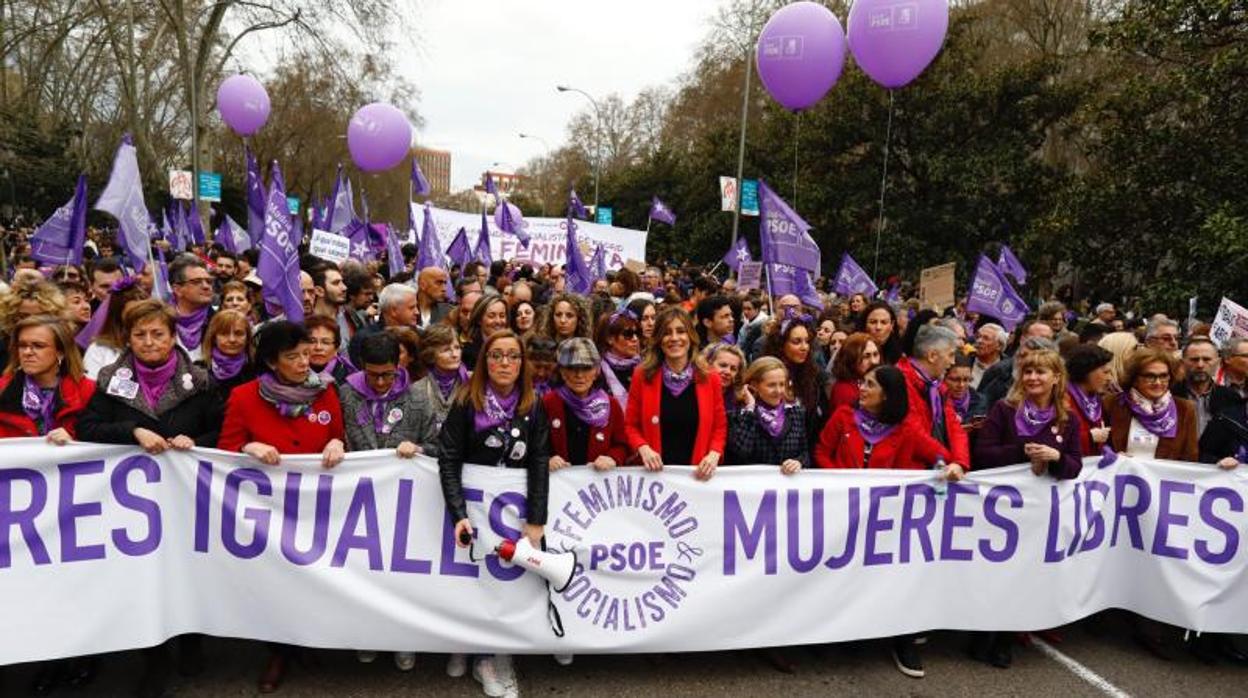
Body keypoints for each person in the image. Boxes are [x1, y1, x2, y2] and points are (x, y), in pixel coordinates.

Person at [76, 299, 222, 698]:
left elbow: (222, 434)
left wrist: (197, 442)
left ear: (174, 338)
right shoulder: (109, 381)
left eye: (158, 333)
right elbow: (86, 427)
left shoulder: (201, 382)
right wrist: (132, 431)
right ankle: (153, 658)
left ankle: (191, 640)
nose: (149, 341)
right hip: (134, 506)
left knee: (188, 572)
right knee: (142, 579)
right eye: (139, 335)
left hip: (186, 500)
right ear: (128, 339)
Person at [216, 320, 346, 692]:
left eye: (307, 353)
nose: (306, 362)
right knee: (275, 579)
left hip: (314, 504)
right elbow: (224, 450)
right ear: (272, 362)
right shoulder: (243, 396)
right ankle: (278, 650)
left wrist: (337, 444)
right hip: (266, 508)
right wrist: (247, 447)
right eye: (294, 356)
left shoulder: (325, 392)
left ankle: (304, 641)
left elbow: (337, 435)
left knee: (312, 575)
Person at [813, 364, 950, 679]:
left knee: (893, 577)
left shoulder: (906, 428)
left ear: (887, 396)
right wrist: (842, 483)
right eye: (863, 382)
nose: (861, 388)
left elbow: (939, 454)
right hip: (843, 511)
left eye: (870, 385)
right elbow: (821, 452)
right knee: (841, 573)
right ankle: (836, 632)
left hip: (888, 520)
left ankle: (902, 639)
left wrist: (949, 465)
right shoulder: (843, 418)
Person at [438, 330, 549, 697]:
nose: (505, 363)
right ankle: (468, 646)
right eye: (496, 355)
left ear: (522, 363)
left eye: (513, 356)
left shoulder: (533, 404)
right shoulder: (466, 400)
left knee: (505, 584)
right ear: (484, 361)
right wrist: (458, 514)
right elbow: (449, 458)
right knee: (470, 581)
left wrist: (536, 517)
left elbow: (538, 460)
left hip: (512, 513)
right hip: (473, 508)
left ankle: (495, 656)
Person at [969, 347, 1083, 668]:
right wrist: (1024, 450)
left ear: (1056, 378)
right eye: (1028, 371)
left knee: (1024, 576)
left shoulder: (1068, 419)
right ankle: (980, 636)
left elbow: (1075, 465)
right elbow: (984, 454)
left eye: (1041, 371)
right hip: (1001, 510)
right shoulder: (1004, 410)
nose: (1033, 377)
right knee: (993, 575)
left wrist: (1056, 458)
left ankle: (1004, 640)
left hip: (1041, 514)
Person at [624, 306, 726, 479]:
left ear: (691, 337)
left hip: (696, 476)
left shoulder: (710, 377)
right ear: (658, 339)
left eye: (681, 331)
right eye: (667, 333)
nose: (674, 338)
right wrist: (643, 448)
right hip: (654, 477)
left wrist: (714, 453)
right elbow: (630, 425)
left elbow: (719, 426)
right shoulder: (642, 375)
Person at [0, 316, 95, 441]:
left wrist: (75, 437)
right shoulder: (3, 388)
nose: (27, 352)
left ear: (60, 351)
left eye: (38, 346)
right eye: (22, 345)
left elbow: (103, 436)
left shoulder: (88, 390)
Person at [544, 337, 628, 472]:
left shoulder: (611, 405)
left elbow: (622, 445)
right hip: (558, 487)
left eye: (586, 368)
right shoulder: (548, 403)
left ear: (596, 371)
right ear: (562, 372)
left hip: (595, 486)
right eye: (572, 368)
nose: (579, 375)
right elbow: (535, 445)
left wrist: (612, 458)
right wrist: (547, 459)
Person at [897, 325, 972, 472]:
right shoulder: (900, 382)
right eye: (950, 355)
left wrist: (959, 463)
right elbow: (914, 434)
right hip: (911, 474)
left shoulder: (938, 387)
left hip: (938, 467)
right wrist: (949, 460)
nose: (952, 362)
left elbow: (954, 427)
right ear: (932, 356)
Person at [1104, 347, 1198, 461]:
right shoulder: (1111, 404)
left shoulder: (1185, 409)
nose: (1158, 383)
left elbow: (1190, 456)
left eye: (1163, 376)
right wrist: (1111, 456)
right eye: (1150, 376)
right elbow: (1098, 447)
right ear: (1134, 378)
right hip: (1119, 475)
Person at [762, 307, 829, 446]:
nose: (804, 347)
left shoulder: (815, 378)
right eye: (797, 342)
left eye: (807, 341)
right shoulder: (764, 375)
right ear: (781, 345)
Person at [727, 356, 808, 472]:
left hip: (786, 486)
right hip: (750, 486)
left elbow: (804, 452)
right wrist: (750, 408)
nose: (778, 391)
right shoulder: (739, 413)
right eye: (771, 385)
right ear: (754, 385)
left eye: (782, 384)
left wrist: (799, 462)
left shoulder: (796, 413)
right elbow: (740, 452)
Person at [409, 324, 466, 455]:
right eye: (446, 350)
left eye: (457, 347)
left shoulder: (473, 382)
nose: (455, 354)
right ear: (430, 355)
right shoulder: (417, 390)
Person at [79, 276, 147, 379]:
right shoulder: (99, 349)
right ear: (118, 315)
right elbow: (90, 387)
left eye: (143, 311)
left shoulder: (156, 344)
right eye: (131, 313)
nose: (138, 317)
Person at [1172, 337, 1239, 437]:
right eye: (1194, 360)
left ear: (1217, 363)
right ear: (1183, 363)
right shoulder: (1170, 395)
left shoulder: (1231, 398)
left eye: (1206, 359)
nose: (1200, 365)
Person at [1064, 344, 1115, 456]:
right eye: (1105, 372)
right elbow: (1055, 442)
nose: (1109, 378)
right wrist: (1089, 437)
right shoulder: (1062, 401)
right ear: (1086, 371)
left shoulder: (1097, 400)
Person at [167, 255, 216, 362]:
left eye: (209, 281)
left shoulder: (219, 321)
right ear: (178, 290)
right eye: (197, 282)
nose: (206, 286)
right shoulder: (162, 320)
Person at [199, 309, 254, 402]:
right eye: (224, 334)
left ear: (247, 338)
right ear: (214, 338)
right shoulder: (199, 370)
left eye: (238, 333)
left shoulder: (256, 370)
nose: (232, 339)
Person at [596, 307, 642, 409]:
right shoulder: (597, 372)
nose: (635, 339)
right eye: (628, 334)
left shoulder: (645, 366)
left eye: (636, 333)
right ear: (609, 339)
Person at [829, 333, 881, 411]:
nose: (874, 361)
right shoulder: (844, 391)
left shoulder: (877, 381)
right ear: (851, 359)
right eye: (866, 356)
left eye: (875, 354)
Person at [461, 293, 510, 368]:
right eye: (491, 316)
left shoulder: (514, 347)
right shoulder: (468, 353)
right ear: (479, 320)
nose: (498, 321)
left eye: (502, 316)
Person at [305, 313, 352, 384]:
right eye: (312, 341)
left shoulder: (347, 377)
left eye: (325, 342)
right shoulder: (289, 374)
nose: (318, 347)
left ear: (336, 348)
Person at [944, 353, 987, 429]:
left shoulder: (980, 401)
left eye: (966, 380)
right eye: (955, 380)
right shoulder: (935, 401)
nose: (961, 385)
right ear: (943, 378)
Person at [705, 342, 748, 416]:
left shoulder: (740, 401)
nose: (728, 372)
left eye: (733, 369)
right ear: (708, 364)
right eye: (723, 365)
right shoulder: (694, 391)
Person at [971, 323, 1008, 389]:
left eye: (986, 338)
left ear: (999, 346)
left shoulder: (1007, 370)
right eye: (978, 337)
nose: (979, 341)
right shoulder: (965, 359)